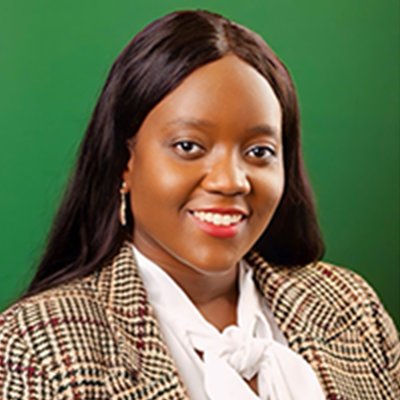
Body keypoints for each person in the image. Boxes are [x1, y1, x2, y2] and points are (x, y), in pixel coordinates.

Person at [0, 9, 398, 400]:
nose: (230, 181)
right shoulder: (36, 348)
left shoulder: (351, 308)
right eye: (188, 146)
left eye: (259, 151)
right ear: (125, 162)